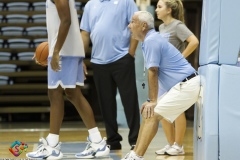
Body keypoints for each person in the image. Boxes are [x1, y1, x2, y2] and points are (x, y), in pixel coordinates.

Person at [26, 0, 110, 159]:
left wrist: (56, 51)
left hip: (64, 51)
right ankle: (97, 142)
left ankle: (52, 146)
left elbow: (66, 20)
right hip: (69, 50)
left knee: (55, 94)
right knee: (73, 94)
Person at [122, 11, 200, 160]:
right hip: (182, 85)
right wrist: (152, 101)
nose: (129, 25)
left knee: (153, 114)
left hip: (187, 84)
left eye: (132, 22)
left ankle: (137, 156)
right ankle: (134, 153)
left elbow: (153, 71)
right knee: (148, 113)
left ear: (143, 26)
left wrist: (153, 101)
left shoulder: (151, 40)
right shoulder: (149, 40)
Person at [79, 0, 140, 151]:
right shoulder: (90, 4)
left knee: (129, 101)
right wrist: (80, 58)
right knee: (106, 104)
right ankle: (113, 140)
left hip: (122, 59)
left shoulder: (126, 2)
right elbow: (85, 33)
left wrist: (130, 54)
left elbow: (137, 26)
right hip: (98, 61)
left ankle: (135, 140)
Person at [155, 0, 199, 155]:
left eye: (159, 7)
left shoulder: (177, 25)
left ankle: (179, 146)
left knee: (178, 109)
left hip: (176, 74)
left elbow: (194, 41)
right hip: (163, 75)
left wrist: (180, 57)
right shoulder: (161, 27)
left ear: (169, 10)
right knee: (161, 109)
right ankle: (170, 144)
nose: (156, 9)